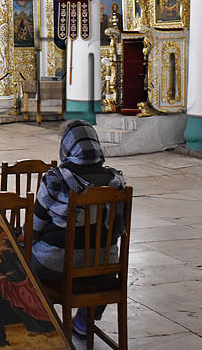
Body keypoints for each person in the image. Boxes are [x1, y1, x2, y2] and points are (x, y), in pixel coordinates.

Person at [31, 120, 127, 337]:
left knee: (20, 264)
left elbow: (36, 227)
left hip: (58, 267)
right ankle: (84, 321)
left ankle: (39, 323)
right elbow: (118, 229)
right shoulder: (116, 181)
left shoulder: (56, 179)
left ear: (67, 146)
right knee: (101, 257)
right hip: (105, 267)